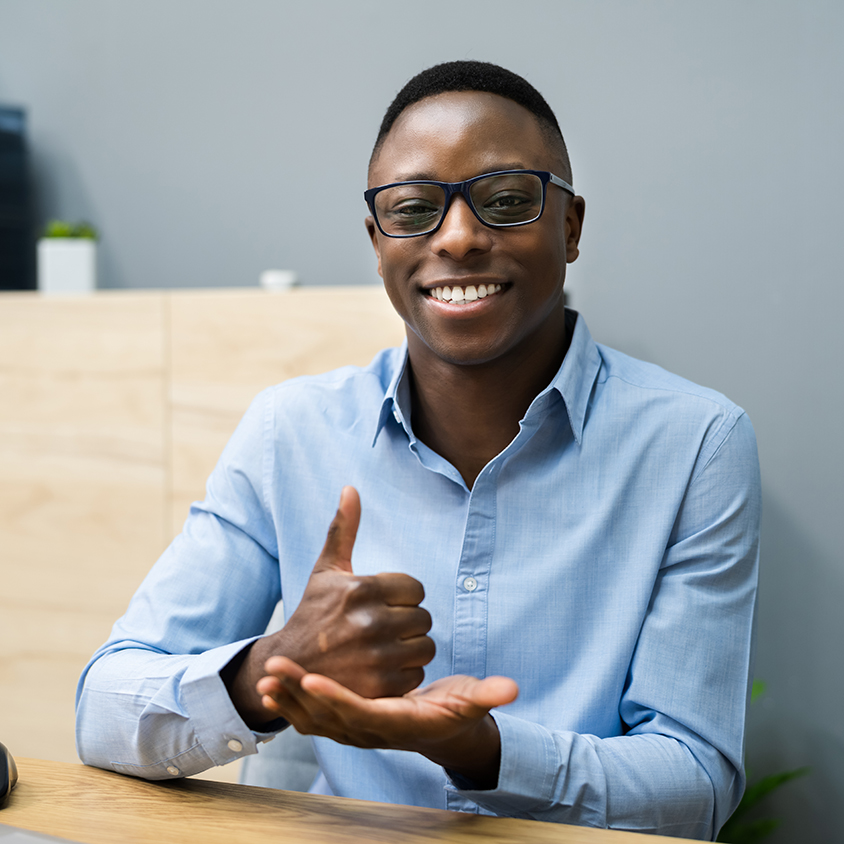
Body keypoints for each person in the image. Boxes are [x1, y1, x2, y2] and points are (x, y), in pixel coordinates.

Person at [76, 61, 760, 840]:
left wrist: (483, 750)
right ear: (378, 244)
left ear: (569, 227)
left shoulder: (696, 443)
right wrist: (273, 666)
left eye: (506, 201)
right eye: (414, 210)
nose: (460, 237)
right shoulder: (290, 432)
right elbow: (103, 709)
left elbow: (695, 783)